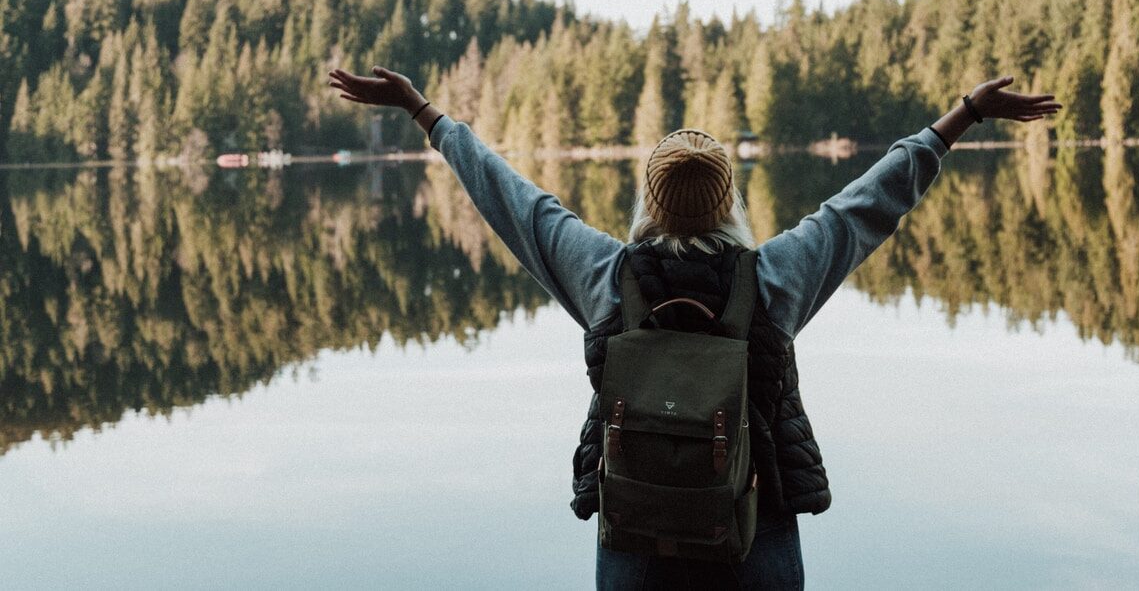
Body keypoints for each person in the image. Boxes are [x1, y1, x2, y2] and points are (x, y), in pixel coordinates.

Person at [328, 64, 1060, 589]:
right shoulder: (774, 279)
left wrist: (423, 111)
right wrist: (965, 112)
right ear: (728, 203)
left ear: (648, 200)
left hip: (638, 531)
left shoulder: (606, 277)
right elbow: (870, 201)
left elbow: (512, 200)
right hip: (754, 525)